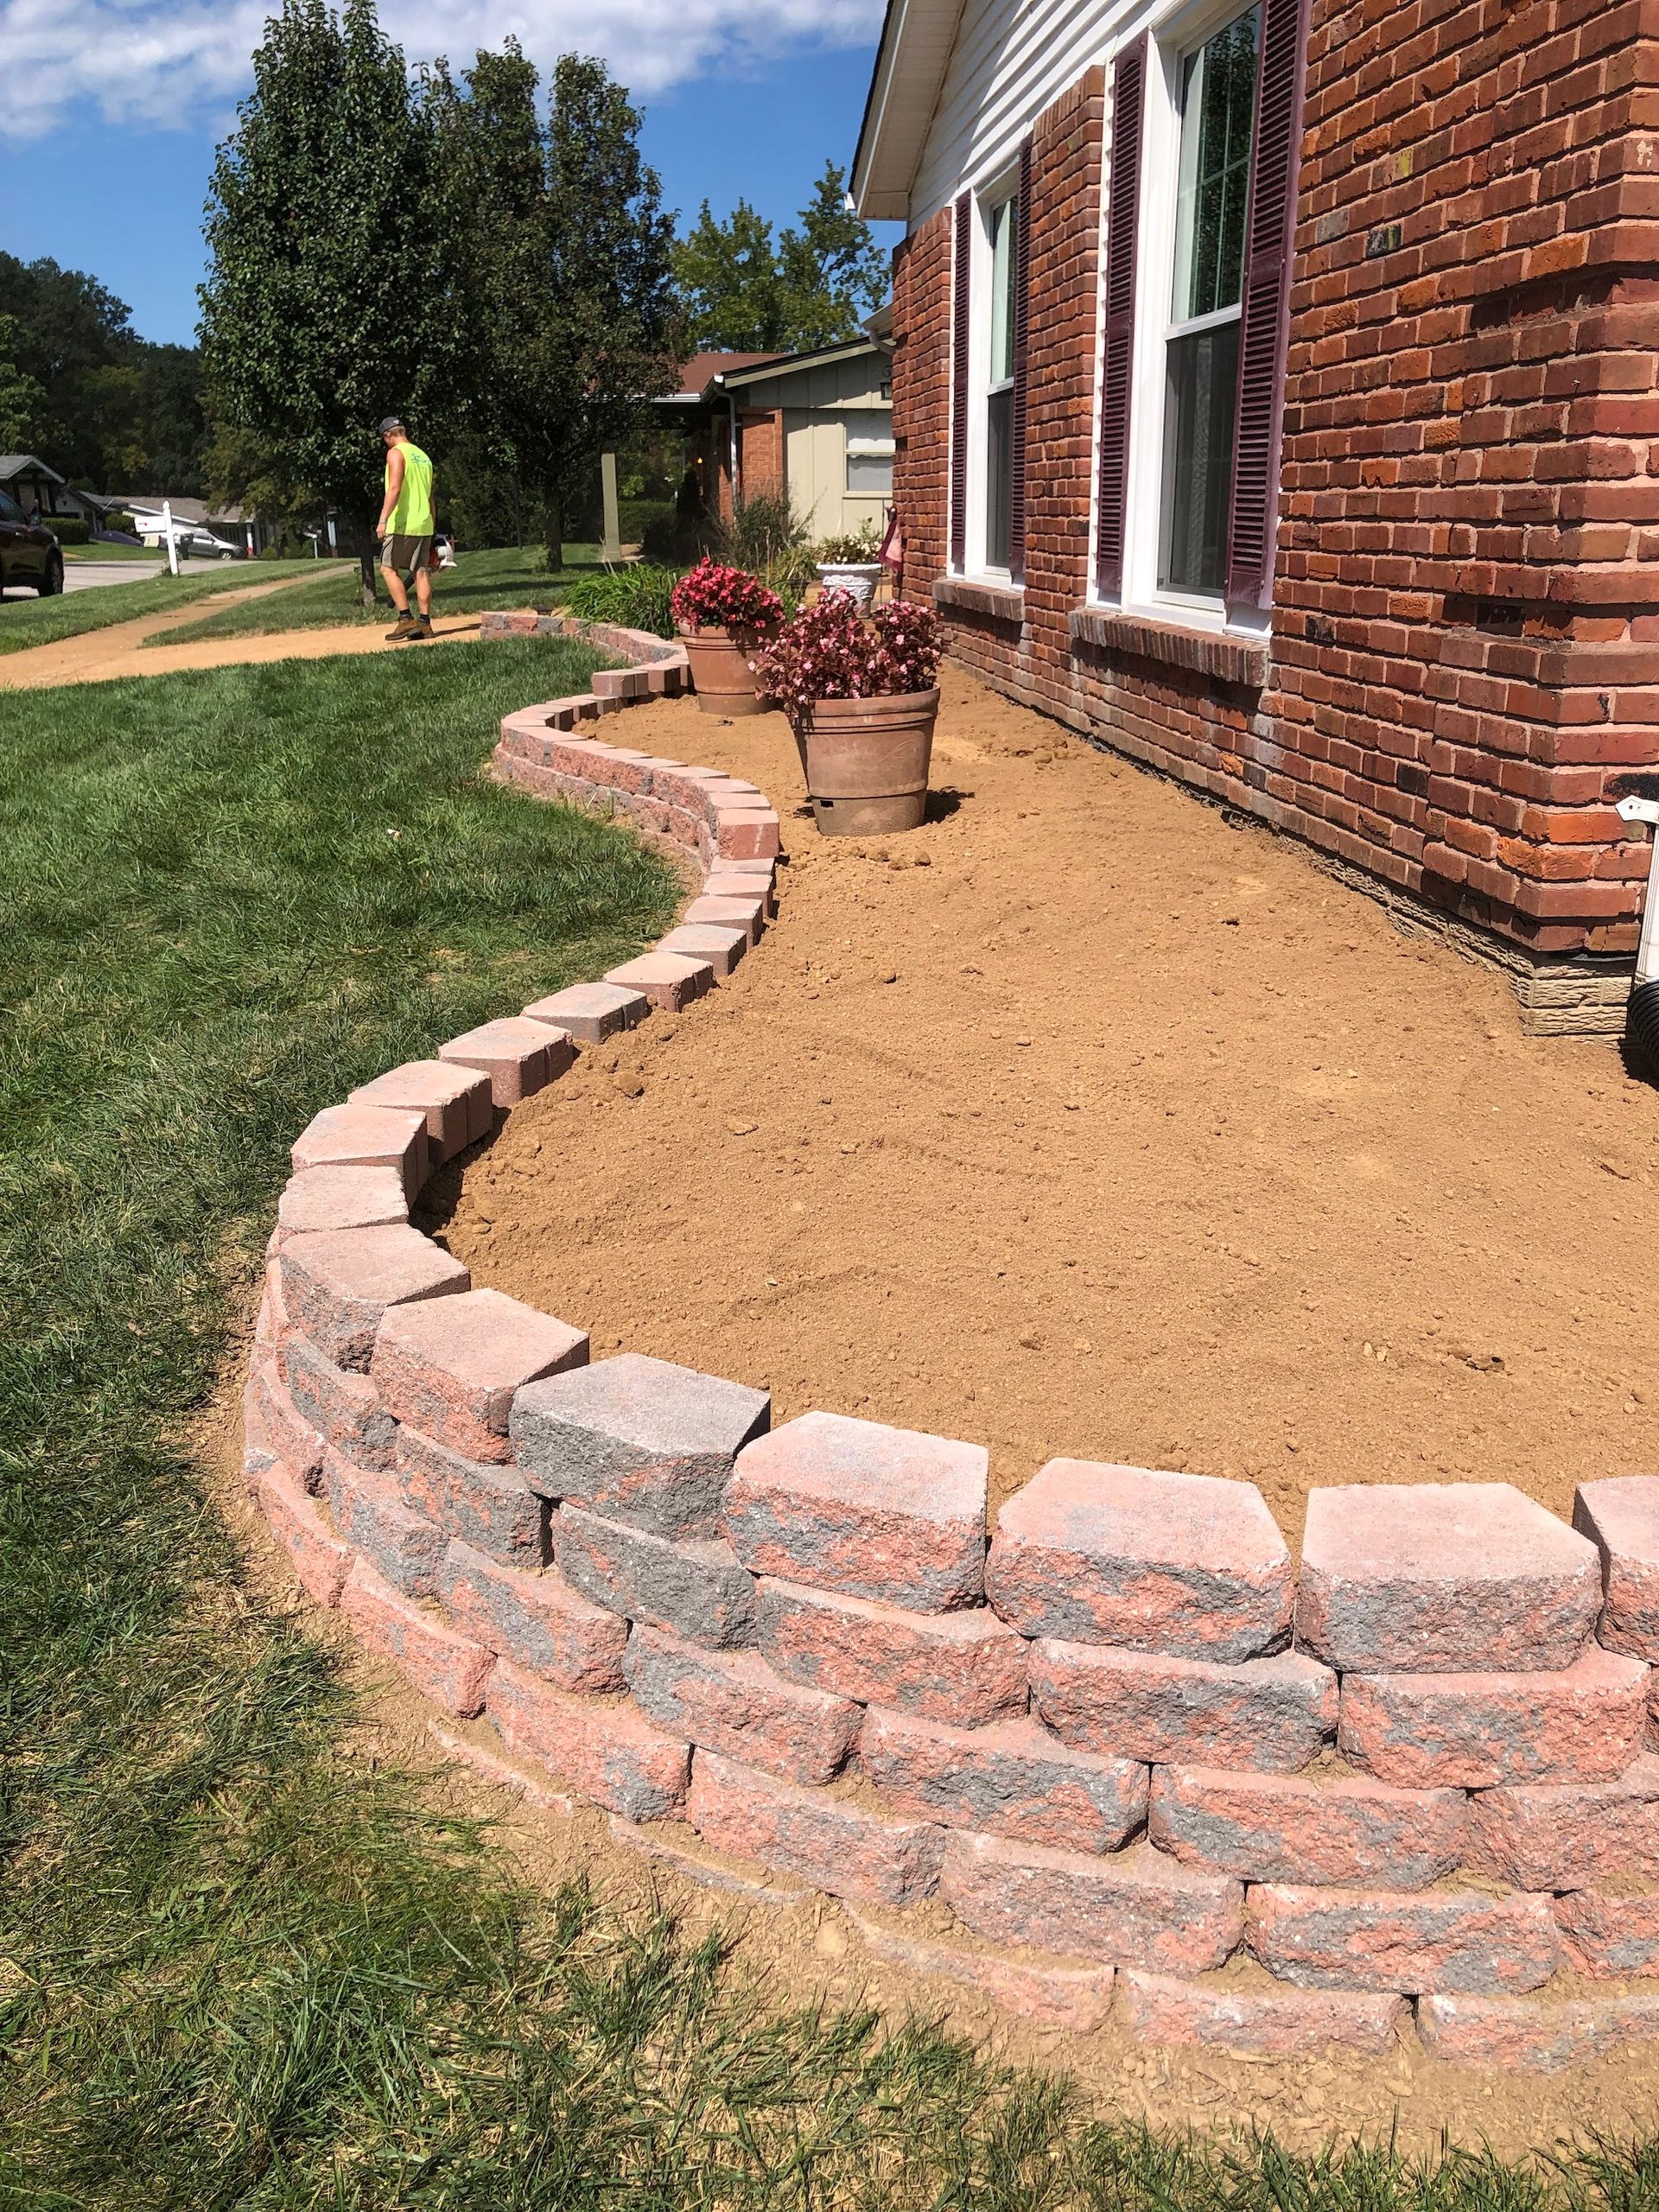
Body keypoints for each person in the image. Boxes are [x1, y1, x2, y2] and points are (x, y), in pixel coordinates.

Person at [374, 416, 436, 642]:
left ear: (389, 435)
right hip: (424, 522)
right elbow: (430, 496)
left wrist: (383, 520)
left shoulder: (395, 453)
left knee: (388, 568)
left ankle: (405, 619)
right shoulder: (423, 457)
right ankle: (425, 623)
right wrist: (433, 526)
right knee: (420, 571)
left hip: (402, 523)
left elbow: (394, 488)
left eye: (384, 439)